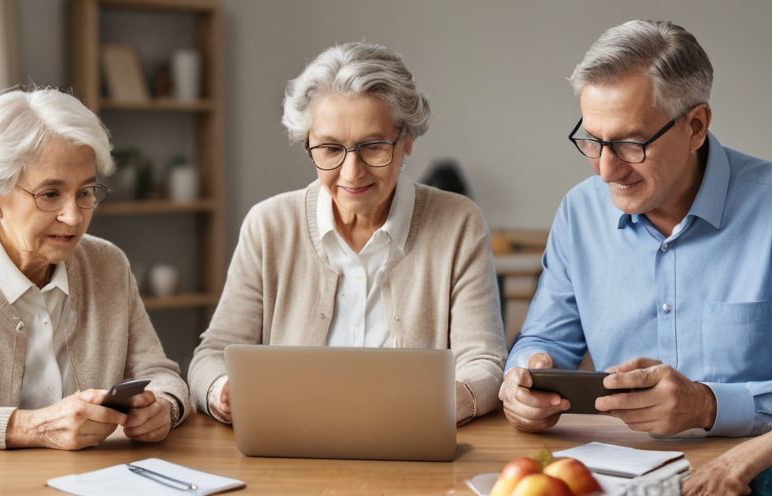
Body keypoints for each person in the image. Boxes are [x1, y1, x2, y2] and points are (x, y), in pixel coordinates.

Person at [0, 88, 191, 488]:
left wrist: (164, 406)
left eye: (86, 192)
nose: (73, 216)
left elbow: (161, 374)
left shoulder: (106, 263)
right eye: (50, 194)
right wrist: (32, 426)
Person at [188, 42, 507, 426]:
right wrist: (223, 389)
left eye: (373, 146)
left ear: (406, 139)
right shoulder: (268, 225)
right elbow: (212, 356)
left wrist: (447, 401)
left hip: (412, 443)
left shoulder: (458, 222)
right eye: (330, 149)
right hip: (293, 446)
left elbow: (484, 362)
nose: (351, 173)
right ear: (308, 143)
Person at [500, 19, 772, 438]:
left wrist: (706, 405)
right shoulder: (580, 212)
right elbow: (545, 340)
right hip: (618, 466)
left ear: (696, 126)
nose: (607, 169)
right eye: (592, 140)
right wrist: (526, 378)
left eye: (631, 143)